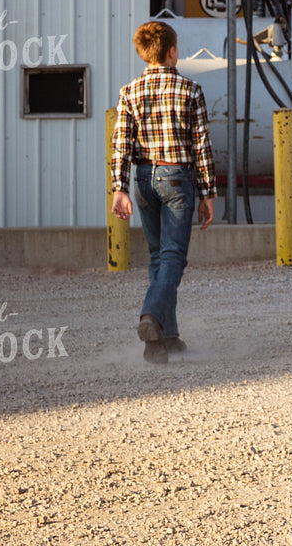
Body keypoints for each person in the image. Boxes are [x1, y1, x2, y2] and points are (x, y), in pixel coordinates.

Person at [110, 20, 216, 365]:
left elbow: (121, 144)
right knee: (173, 257)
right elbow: (201, 146)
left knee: (158, 257)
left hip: (142, 178)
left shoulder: (129, 91)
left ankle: (165, 338)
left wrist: (118, 188)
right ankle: (151, 317)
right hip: (177, 176)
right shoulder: (191, 90)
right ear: (172, 52)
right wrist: (208, 193)